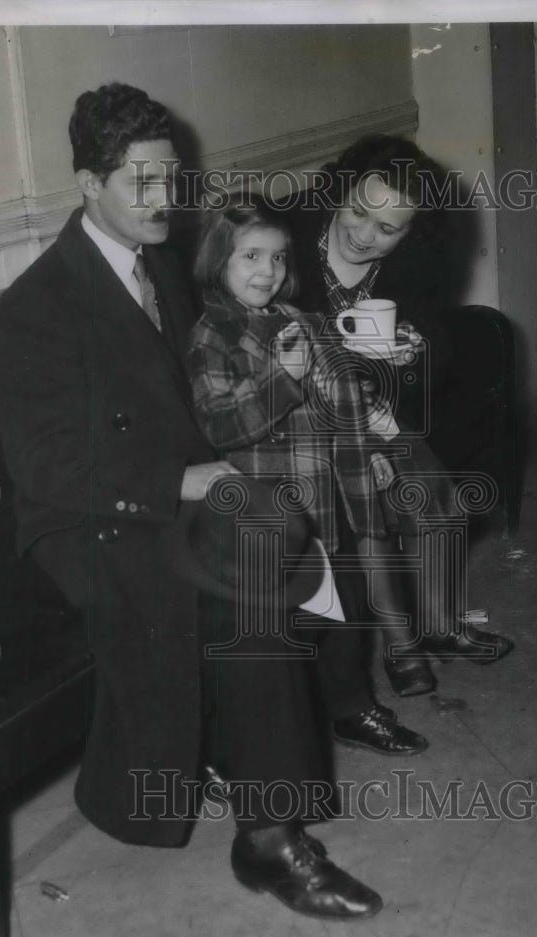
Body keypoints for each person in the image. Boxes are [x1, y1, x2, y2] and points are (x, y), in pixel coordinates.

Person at [0, 82, 385, 921]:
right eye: (141, 181)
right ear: (88, 183)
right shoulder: (38, 305)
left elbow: (199, 403)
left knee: (274, 536)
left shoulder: (160, 269)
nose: (163, 198)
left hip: (169, 499)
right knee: (238, 589)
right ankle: (272, 840)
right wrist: (178, 482)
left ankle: (257, 782)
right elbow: (45, 465)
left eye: (170, 178)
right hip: (87, 522)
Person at [186, 197, 473, 700]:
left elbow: (342, 402)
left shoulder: (301, 318)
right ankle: (339, 680)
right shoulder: (212, 337)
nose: (267, 271)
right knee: (336, 560)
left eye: (277, 257)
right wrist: (286, 379)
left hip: (332, 467)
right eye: (250, 256)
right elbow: (223, 426)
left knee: (373, 524)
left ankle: (402, 645)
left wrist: (373, 452)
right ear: (218, 259)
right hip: (269, 482)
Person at [279, 134, 514, 689]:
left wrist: (412, 354)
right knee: (376, 505)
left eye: (388, 229)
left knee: (444, 502)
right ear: (339, 192)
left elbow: (437, 353)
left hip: (376, 409)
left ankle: (437, 625)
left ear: (411, 232)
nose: (363, 235)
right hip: (300, 415)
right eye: (358, 212)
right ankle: (399, 645)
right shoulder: (286, 242)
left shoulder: (416, 262)